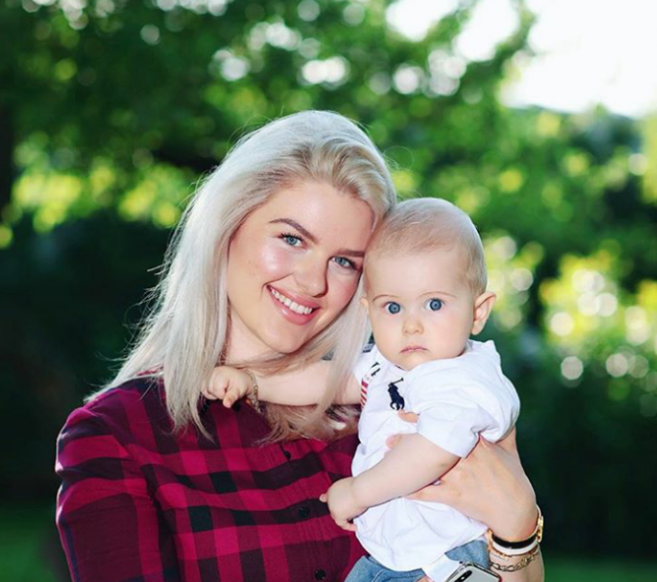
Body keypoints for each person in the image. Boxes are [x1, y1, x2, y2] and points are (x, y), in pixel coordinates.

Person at [55, 111, 544, 582]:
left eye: (346, 262)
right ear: (227, 228)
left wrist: (518, 527)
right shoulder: (118, 435)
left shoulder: (383, 410)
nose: (313, 282)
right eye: (292, 239)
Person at [206, 198, 539, 582]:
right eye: (393, 308)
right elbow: (328, 381)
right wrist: (255, 382)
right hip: (389, 556)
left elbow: (433, 452)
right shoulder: (385, 364)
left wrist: (358, 493)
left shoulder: (465, 381)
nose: (411, 325)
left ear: (477, 313)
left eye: (434, 304)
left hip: (451, 558)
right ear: (369, 310)